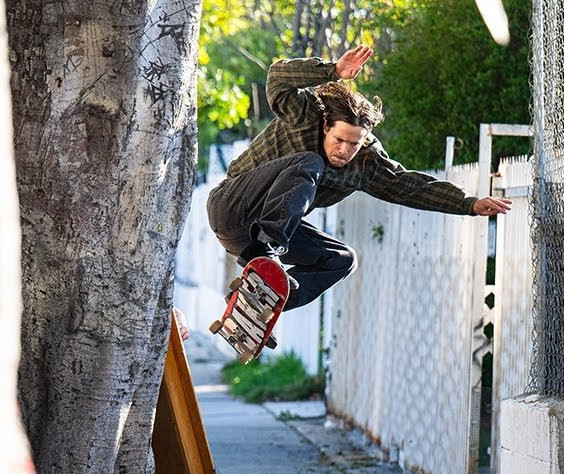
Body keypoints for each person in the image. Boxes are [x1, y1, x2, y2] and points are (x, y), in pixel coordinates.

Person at [206, 45, 512, 313]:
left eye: (354, 144)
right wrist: (332, 71)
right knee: (310, 163)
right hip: (232, 207)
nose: (345, 151)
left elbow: (410, 187)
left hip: (248, 242)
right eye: (340, 139)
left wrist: (468, 203)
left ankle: (262, 305)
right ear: (326, 125)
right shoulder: (305, 116)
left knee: (341, 259)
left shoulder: (365, 162)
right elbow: (277, 77)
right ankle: (268, 253)